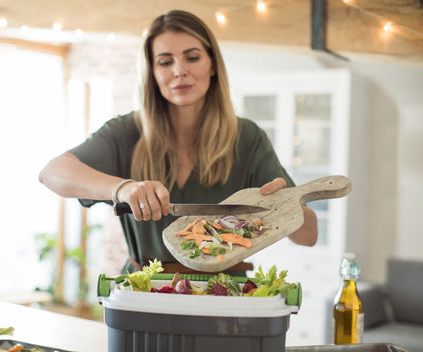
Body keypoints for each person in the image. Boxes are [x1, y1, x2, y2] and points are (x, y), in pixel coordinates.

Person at [39, 9, 318, 274]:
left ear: (212, 66)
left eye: (192, 57)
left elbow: (309, 236)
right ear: (153, 73)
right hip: (144, 296)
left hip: (223, 303)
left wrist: (284, 207)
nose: (179, 71)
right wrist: (122, 189)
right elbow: (52, 172)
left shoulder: (248, 138)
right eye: (165, 61)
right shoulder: (125, 132)